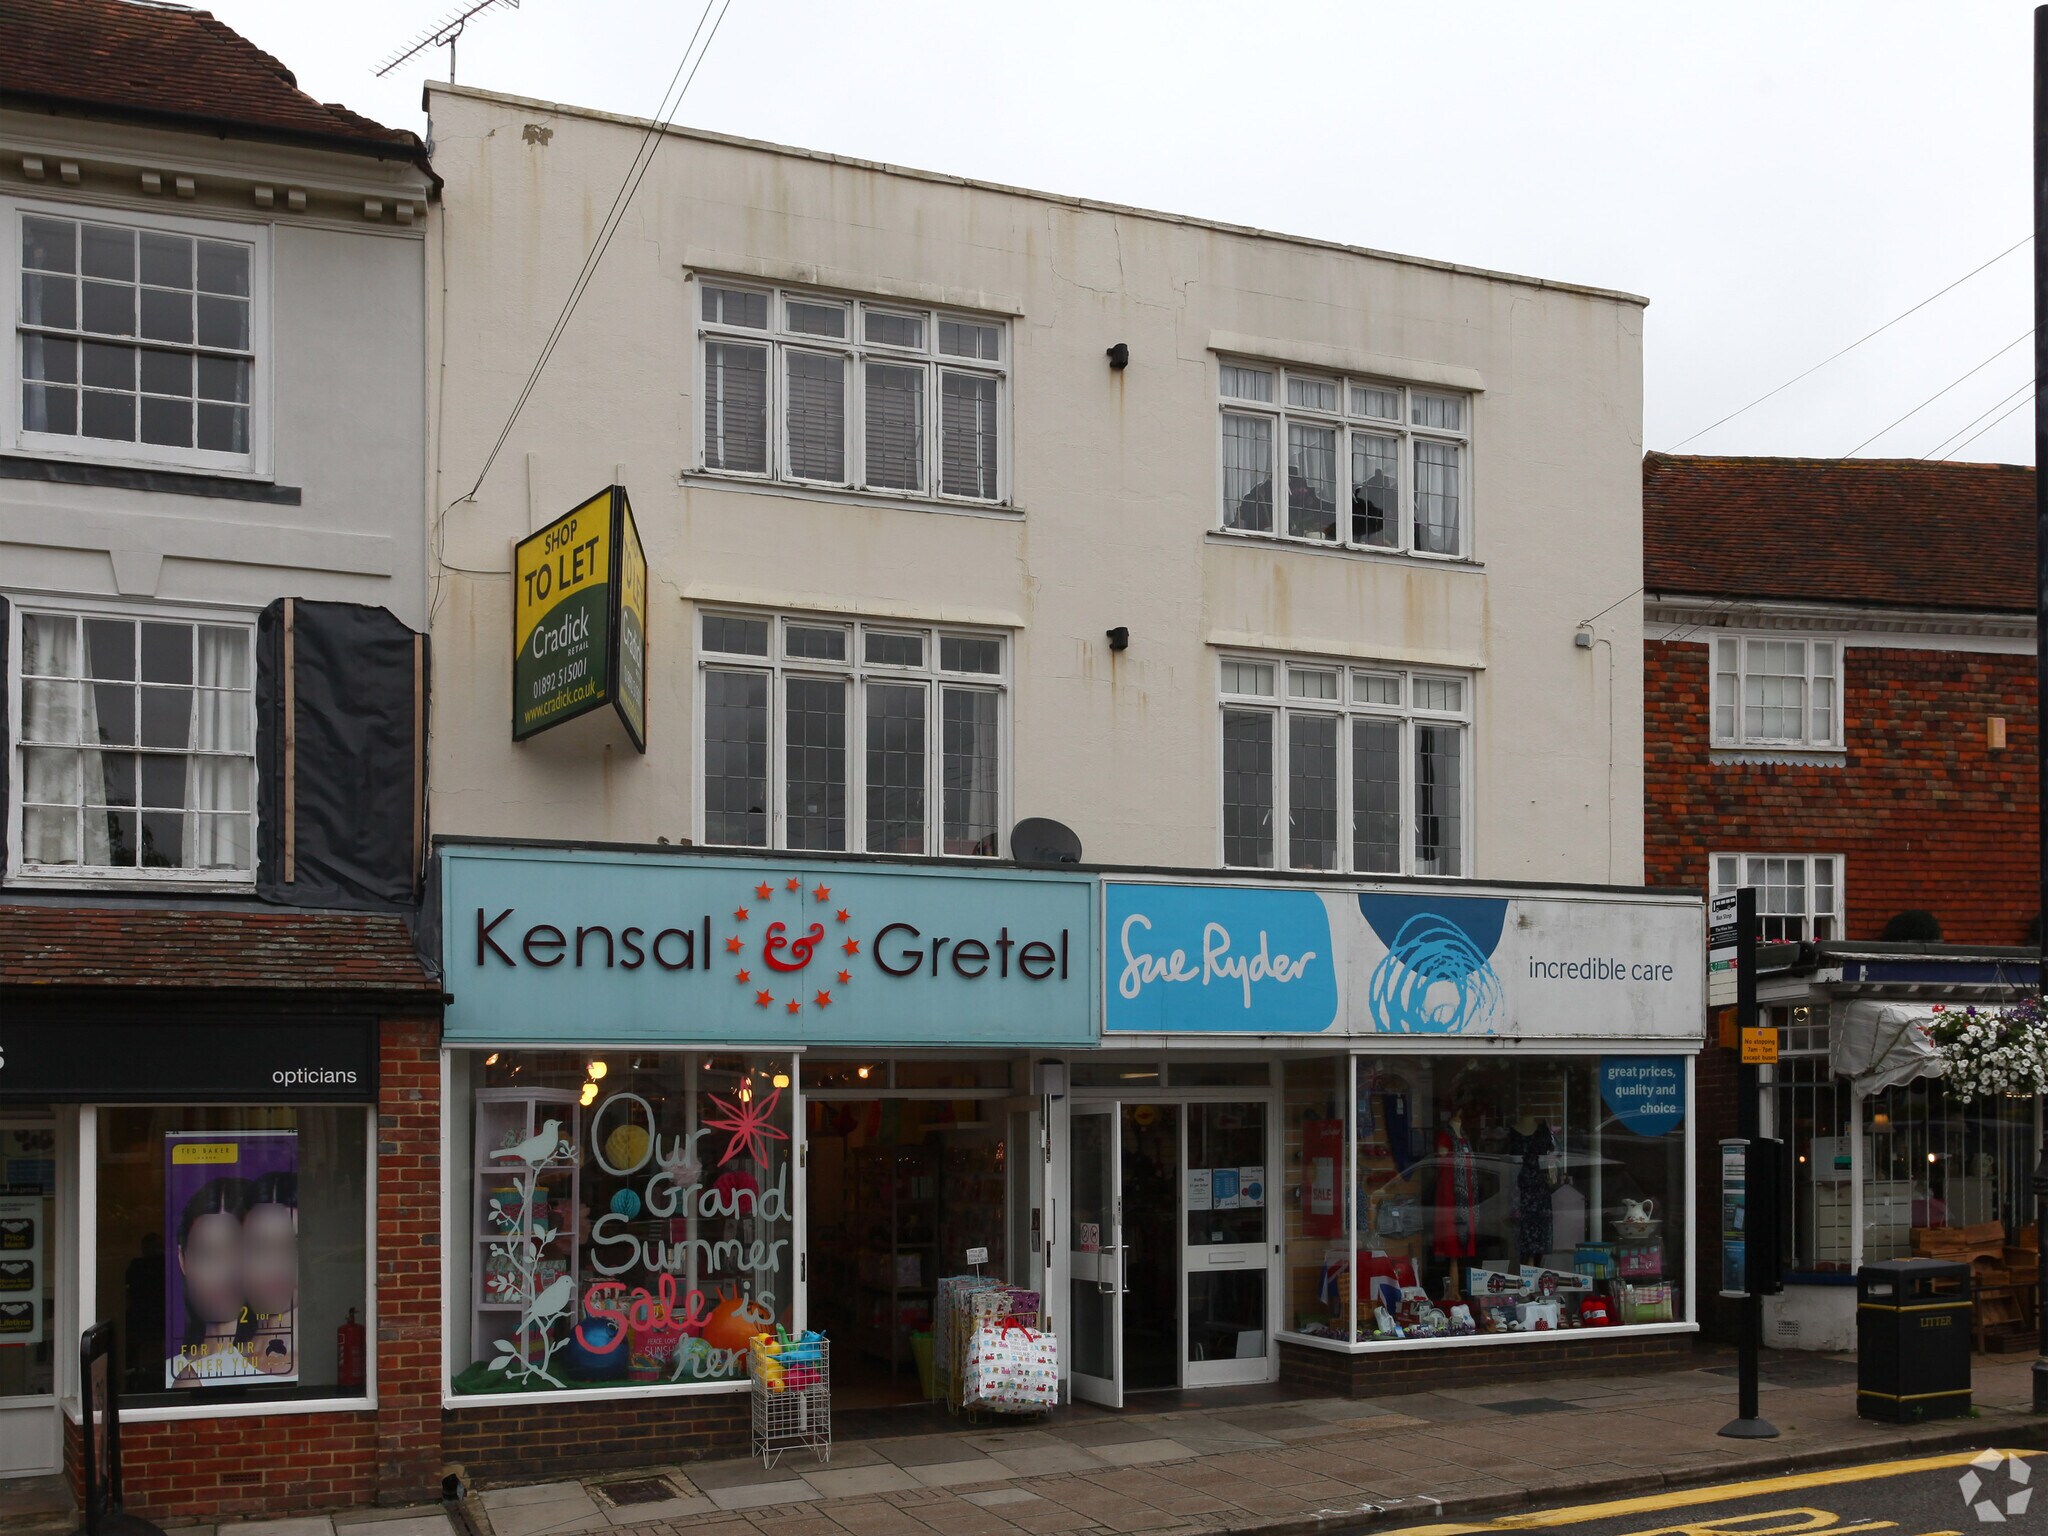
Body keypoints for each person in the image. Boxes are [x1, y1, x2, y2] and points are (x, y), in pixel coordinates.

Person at [170, 1177, 256, 1387]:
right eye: (207, 1254)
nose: (224, 1270)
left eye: (237, 1250)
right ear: (182, 1260)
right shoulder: (177, 1375)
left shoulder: (285, 1364)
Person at [242, 1171, 299, 1377]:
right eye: (260, 1247)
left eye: (294, 1246)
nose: (278, 1264)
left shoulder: (324, 1365)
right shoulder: (203, 1373)